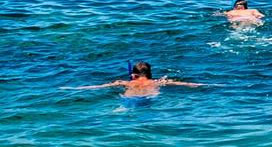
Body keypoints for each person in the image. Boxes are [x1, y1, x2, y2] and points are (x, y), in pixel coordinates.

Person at [72, 61, 207, 98]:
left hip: (129, 97)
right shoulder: (157, 81)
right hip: (151, 96)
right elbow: (183, 83)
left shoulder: (125, 82)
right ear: (149, 73)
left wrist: (79, 88)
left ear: (134, 75)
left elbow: (101, 86)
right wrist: (199, 85)